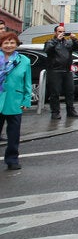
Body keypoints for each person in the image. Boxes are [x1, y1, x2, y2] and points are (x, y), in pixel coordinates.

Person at [1, 31, 32, 170]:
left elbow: (27, 82)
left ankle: (12, 159)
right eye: (6, 43)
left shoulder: (24, 60)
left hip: (15, 101)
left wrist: (26, 100)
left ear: (17, 44)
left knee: (13, 134)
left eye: (12, 42)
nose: (9, 45)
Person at [44, 24, 78, 119]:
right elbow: (47, 50)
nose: (62, 33)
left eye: (63, 32)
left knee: (70, 91)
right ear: (55, 33)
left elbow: (77, 48)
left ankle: (70, 110)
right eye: (59, 32)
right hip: (55, 71)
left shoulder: (68, 43)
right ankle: (55, 112)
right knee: (55, 92)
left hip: (67, 70)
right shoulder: (50, 42)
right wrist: (57, 40)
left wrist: (75, 40)